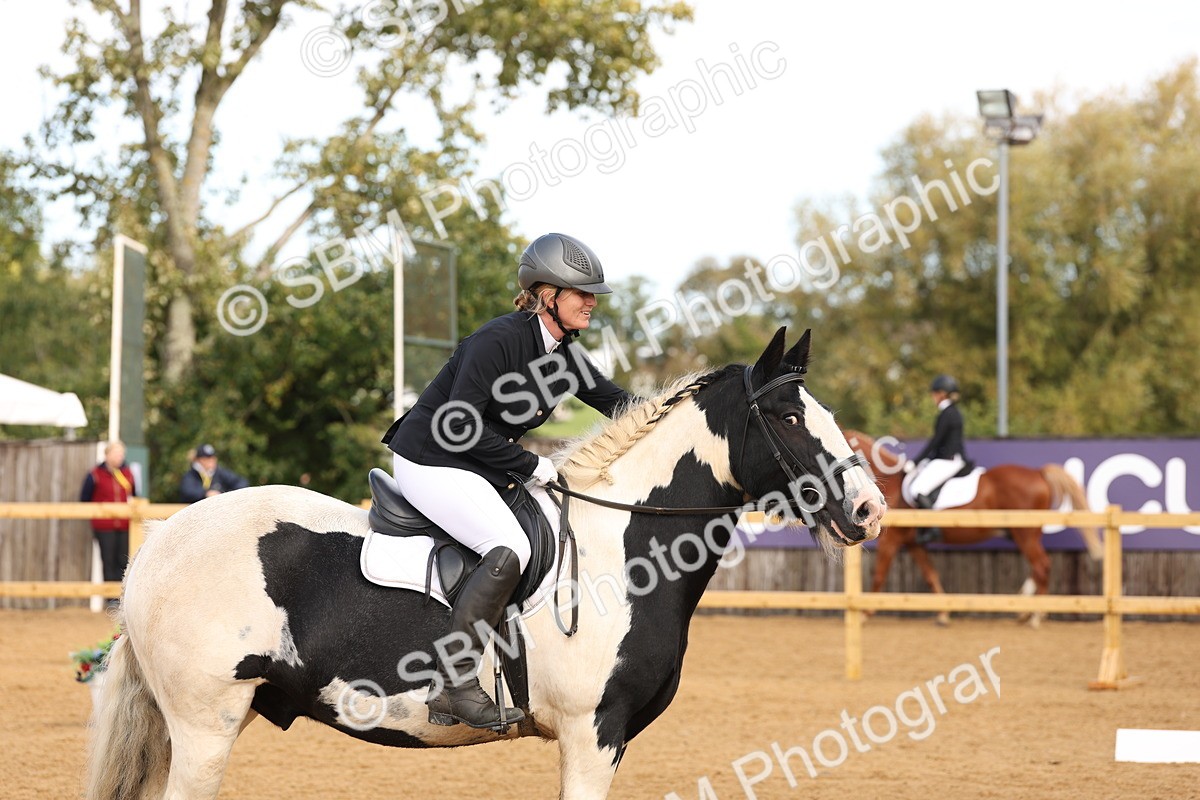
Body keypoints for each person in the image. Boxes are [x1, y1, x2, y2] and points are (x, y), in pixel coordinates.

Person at [381, 232, 634, 730]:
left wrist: (684, 409)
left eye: (592, 294)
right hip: (430, 458)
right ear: (547, 295)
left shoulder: (565, 356)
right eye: (580, 293)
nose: (591, 302)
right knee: (509, 548)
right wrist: (528, 464)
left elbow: (623, 408)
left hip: (475, 465)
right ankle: (455, 684)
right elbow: (459, 426)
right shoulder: (496, 341)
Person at [905, 374, 967, 543]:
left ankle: (933, 529)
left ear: (941, 394)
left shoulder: (948, 413)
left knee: (917, 490)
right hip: (947, 457)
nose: (933, 397)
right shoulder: (951, 412)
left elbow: (936, 441)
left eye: (934, 393)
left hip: (948, 460)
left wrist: (916, 461)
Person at [80, 441, 137, 590]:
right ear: (107, 455)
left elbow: (135, 496)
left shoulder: (127, 473)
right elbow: (84, 499)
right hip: (104, 526)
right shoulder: (95, 474)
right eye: (117, 453)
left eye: (122, 454)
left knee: (124, 561)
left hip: (124, 524)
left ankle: (121, 597)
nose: (120, 457)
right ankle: (110, 598)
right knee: (108, 561)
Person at [179, 443, 249, 503]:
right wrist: (206, 493)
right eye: (207, 459)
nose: (211, 461)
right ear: (199, 460)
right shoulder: (191, 475)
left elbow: (241, 482)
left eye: (213, 458)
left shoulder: (220, 472)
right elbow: (188, 491)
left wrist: (228, 495)